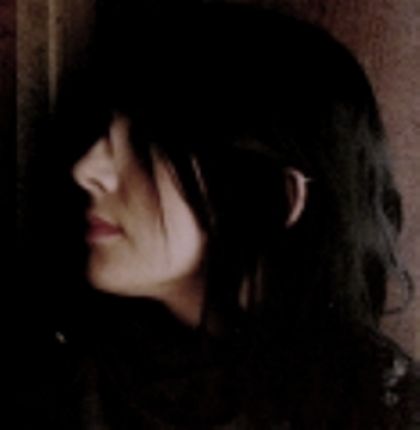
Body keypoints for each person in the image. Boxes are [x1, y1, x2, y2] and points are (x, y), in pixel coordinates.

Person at [15, 2, 419, 429]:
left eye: (143, 144)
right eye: (106, 135)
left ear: (271, 198)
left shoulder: (380, 414)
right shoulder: (66, 388)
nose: (86, 170)